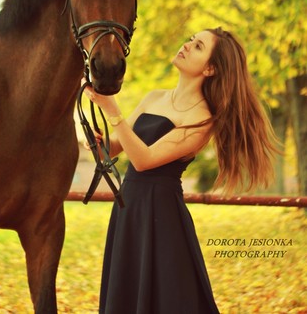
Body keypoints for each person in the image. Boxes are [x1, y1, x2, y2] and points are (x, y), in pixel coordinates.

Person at [84, 27, 279, 314]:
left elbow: (144, 159)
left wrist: (114, 112)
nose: (187, 45)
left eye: (198, 46)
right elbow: (114, 148)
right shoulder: (154, 97)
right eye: (191, 40)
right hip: (129, 209)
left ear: (210, 68)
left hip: (161, 216)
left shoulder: (202, 119)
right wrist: (96, 137)